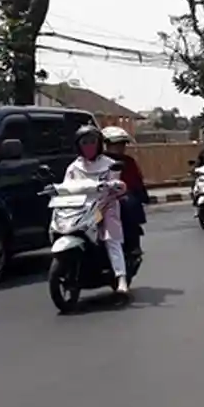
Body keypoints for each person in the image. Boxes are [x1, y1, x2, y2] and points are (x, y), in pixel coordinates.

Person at [65, 125, 129, 293]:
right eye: (85, 142)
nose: (89, 146)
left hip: (104, 206)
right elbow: (66, 186)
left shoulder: (109, 164)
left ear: (99, 143)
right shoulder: (74, 167)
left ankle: (121, 277)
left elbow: (117, 183)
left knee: (110, 238)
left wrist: (114, 185)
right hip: (80, 208)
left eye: (92, 141)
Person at [101, 127, 147, 258]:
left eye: (122, 144)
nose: (119, 147)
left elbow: (136, 181)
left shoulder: (129, 161)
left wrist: (141, 194)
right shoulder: (98, 161)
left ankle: (133, 243)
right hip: (101, 197)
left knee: (130, 204)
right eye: (115, 144)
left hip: (122, 196)